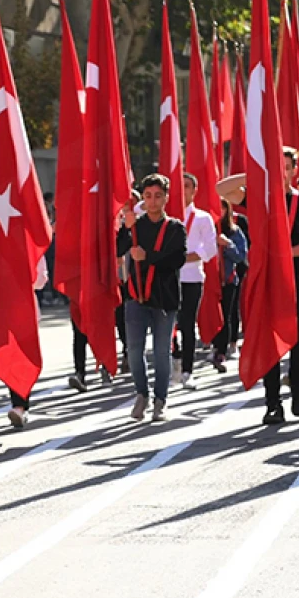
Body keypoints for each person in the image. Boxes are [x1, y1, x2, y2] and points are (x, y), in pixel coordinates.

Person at [218, 148, 299, 424]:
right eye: (277, 167)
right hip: (264, 277)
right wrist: (254, 176)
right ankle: (273, 402)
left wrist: (287, 252)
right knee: (269, 337)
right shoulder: (259, 199)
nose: (282, 172)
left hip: (294, 275)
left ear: (294, 170)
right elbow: (222, 189)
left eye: (287, 167)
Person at [117, 174, 188, 422]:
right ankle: (141, 394)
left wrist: (147, 257)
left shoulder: (175, 228)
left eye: (158, 196)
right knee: (134, 349)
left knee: (161, 351)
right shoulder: (135, 226)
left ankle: (160, 399)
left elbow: (177, 259)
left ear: (166, 198)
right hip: (135, 297)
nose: (153, 201)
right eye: (148, 196)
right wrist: (124, 229)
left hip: (164, 298)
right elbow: (117, 249)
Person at [176, 172, 220, 389]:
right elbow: (137, 210)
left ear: (194, 191)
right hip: (167, 278)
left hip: (191, 278)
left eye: (186, 186)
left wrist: (184, 257)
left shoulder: (202, 218)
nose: (182, 190)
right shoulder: (164, 215)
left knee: (186, 324)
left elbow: (210, 248)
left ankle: (187, 370)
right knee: (166, 324)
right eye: (179, 185)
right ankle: (173, 362)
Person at [7, 256, 51, 429]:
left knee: (20, 359)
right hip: (3, 306)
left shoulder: (30, 243)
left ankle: (20, 405)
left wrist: (21, 280)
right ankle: (19, 404)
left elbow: (41, 279)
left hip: (24, 307)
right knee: (11, 359)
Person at [210, 200, 248, 374]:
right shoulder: (208, 227)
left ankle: (221, 352)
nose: (220, 211)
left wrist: (227, 245)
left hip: (228, 279)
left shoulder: (234, 231)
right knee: (212, 313)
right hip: (210, 280)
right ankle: (214, 344)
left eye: (223, 207)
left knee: (226, 314)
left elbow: (241, 256)